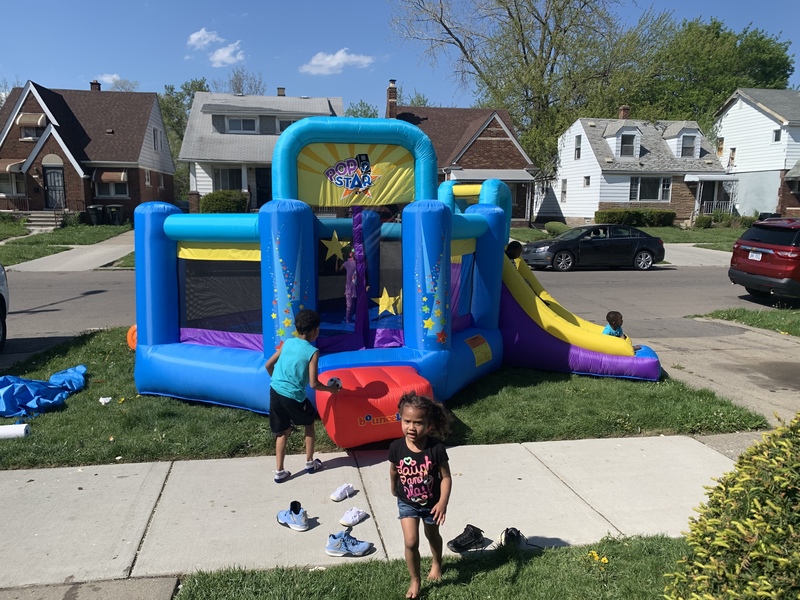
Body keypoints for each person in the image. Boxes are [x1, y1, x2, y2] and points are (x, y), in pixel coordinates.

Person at [265, 309, 341, 483]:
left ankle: (279, 471)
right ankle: (309, 462)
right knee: (309, 423)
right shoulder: (312, 352)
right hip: (293, 396)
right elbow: (314, 384)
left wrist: (279, 381)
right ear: (315, 330)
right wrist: (331, 390)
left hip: (275, 391)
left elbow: (269, 365)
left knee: (282, 431)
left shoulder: (287, 343)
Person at [389, 393, 452, 599]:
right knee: (410, 542)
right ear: (401, 419)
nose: (411, 427)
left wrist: (442, 503)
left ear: (429, 425)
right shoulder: (396, 447)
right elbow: (394, 470)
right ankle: (415, 579)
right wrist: (393, 487)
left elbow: (446, 477)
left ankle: (437, 563)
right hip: (407, 502)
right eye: (407, 421)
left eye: (418, 423)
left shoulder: (436, 449)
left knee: (432, 535)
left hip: (432, 504)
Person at [338, 250, 358, 323]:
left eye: (355, 252)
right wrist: (338, 260)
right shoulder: (347, 263)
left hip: (356, 287)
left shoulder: (359, 263)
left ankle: (351, 317)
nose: (353, 254)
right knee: (349, 305)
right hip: (349, 288)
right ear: (350, 254)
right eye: (352, 252)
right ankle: (347, 319)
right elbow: (338, 269)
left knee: (354, 305)